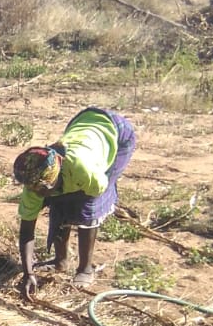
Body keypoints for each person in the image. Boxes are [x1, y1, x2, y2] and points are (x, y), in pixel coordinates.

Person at [13, 107, 137, 299]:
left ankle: (85, 269)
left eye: (43, 190)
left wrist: (66, 204)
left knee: (85, 210)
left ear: (55, 179)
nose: (38, 194)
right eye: (35, 190)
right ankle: (61, 260)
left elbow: (97, 190)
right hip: (81, 121)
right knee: (59, 206)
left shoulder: (85, 171)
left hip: (116, 133)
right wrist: (28, 273)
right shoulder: (35, 182)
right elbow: (26, 231)